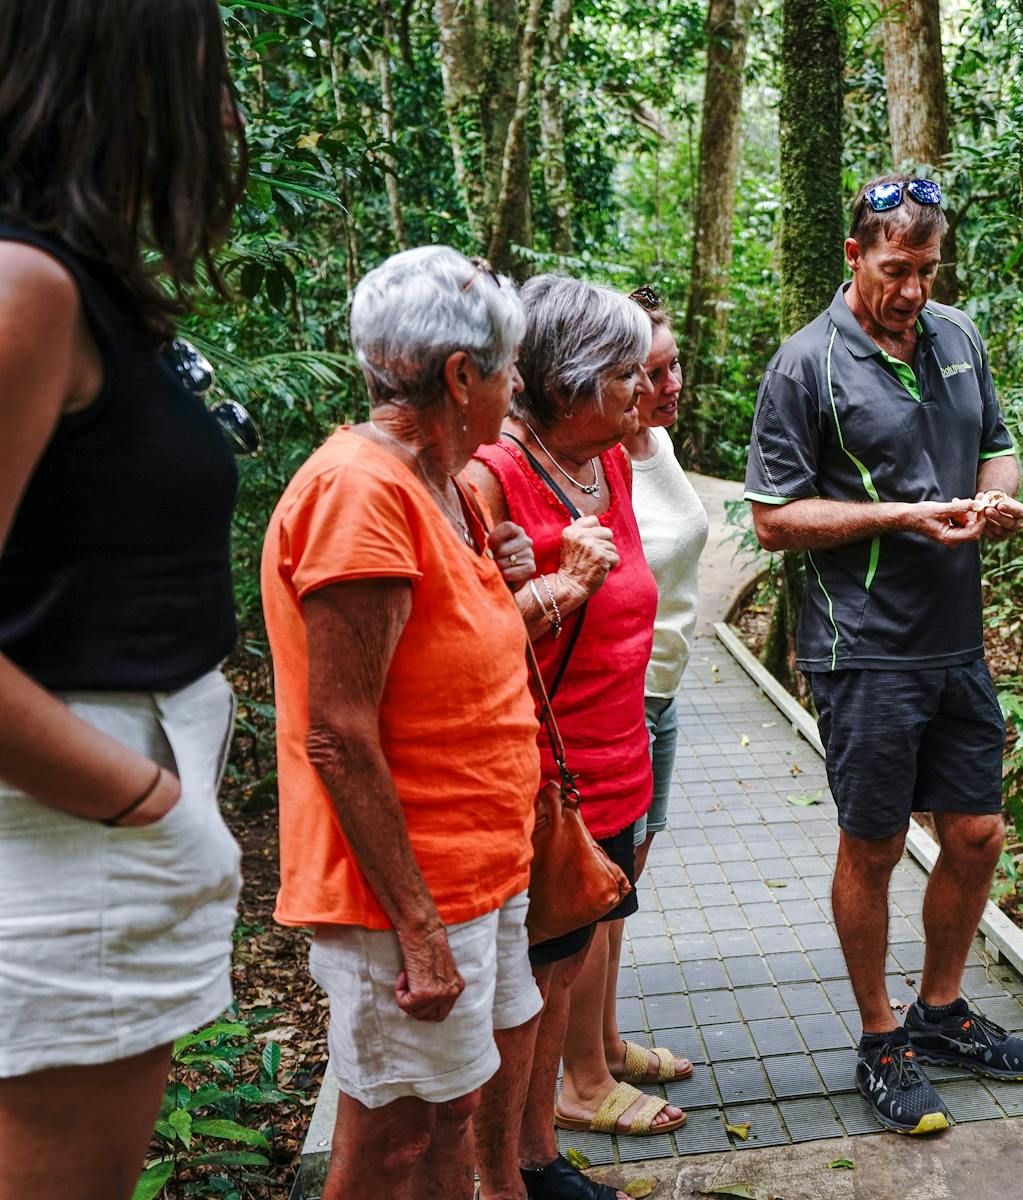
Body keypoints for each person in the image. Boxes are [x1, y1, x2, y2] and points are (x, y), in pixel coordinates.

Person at [0, 5, 249, 1198]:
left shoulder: (72, 278)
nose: (222, 102)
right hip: (69, 828)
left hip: (92, 824)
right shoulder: (24, 284)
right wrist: (144, 797)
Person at [744, 172, 1023, 1135]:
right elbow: (774, 520)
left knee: (977, 835)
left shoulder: (959, 338)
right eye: (895, 268)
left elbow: (998, 445)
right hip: (863, 646)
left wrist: (996, 499)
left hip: (958, 641)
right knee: (873, 843)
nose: (913, 289)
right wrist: (904, 513)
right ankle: (881, 1038)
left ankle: (942, 1009)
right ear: (854, 256)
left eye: (927, 268)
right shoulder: (806, 364)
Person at [263, 246, 548, 1200]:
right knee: (393, 1135)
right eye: (508, 369)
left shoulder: (450, 486)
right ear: (462, 376)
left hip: (476, 868)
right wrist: (419, 931)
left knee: (448, 1116)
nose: (516, 390)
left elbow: (447, 657)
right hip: (406, 889)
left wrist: (496, 576)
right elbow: (337, 731)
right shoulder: (360, 491)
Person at [463, 275, 690, 1150]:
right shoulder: (495, 479)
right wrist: (553, 581)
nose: (647, 390)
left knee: (571, 967)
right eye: (629, 374)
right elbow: (461, 643)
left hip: (620, 759)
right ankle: (530, 1149)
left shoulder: (611, 464)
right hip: (547, 777)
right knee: (537, 978)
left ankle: (545, 1141)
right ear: (572, 385)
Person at [621, 285, 709, 883]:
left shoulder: (662, 444)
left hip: (665, 689)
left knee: (629, 878)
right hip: (624, 699)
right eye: (654, 373)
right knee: (603, 885)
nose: (672, 382)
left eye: (673, 363)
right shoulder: (597, 465)